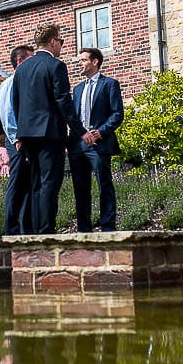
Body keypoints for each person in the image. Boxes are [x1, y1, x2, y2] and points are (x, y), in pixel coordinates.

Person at [12, 23, 91, 234]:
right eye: (62, 42)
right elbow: (63, 102)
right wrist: (80, 131)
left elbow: (16, 103)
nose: (62, 46)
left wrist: (21, 132)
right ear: (53, 42)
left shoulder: (22, 69)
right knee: (49, 183)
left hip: (27, 134)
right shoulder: (56, 66)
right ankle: (46, 231)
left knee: (34, 183)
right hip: (49, 134)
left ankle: (31, 231)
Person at [69, 47, 124, 233]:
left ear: (95, 62)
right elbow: (74, 117)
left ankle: (107, 226)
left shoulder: (109, 84)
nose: (80, 64)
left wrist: (100, 132)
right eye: (80, 61)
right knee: (81, 189)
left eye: (83, 60)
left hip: (99, 144)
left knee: (104, 185)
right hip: (78, 145)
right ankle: (84, 229)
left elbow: (117, 114)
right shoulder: (77, 89)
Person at [0, 44, 35, 235]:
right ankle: (11, 229)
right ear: (20, 61)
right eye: (31, 58)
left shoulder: (26, 83)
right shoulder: (10, 83)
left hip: (28, 140)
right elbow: (7, 113)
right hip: (17, 141)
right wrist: (16, 139)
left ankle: (25, 228)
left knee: (28, 184)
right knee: (17, 183)